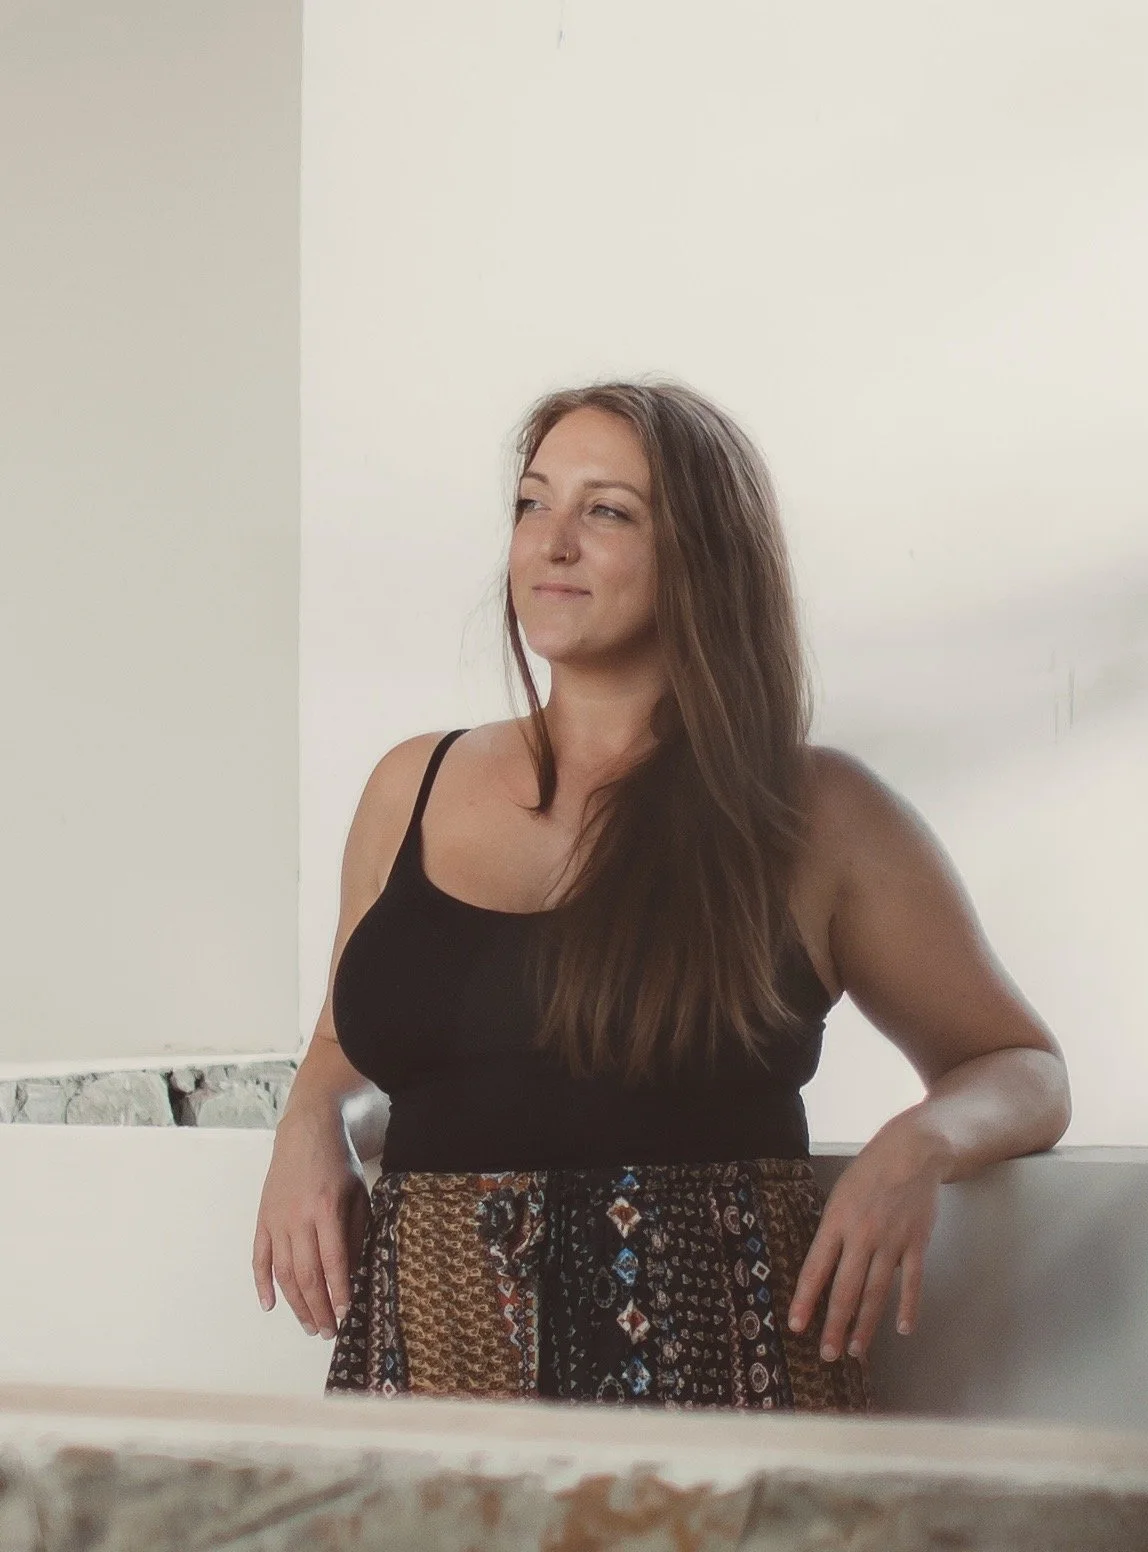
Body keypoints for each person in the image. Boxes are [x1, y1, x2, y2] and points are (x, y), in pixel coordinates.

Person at [252, 380, 1071, 1410]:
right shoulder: (410, 785)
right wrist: (307, 1122)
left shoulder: (816, 811)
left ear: (702, 556)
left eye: (606, 511)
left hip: (718, 1402)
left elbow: (1023, 1066)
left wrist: (916, 1147)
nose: (552, 543)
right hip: (427, 1380)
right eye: (533, 503)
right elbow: (345, 1044)